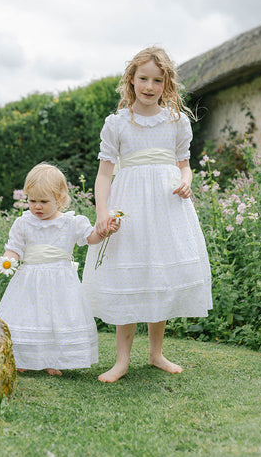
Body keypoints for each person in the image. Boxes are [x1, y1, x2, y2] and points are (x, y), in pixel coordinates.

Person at [82, 46, 212, 383]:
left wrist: (185, 182)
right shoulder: (117, 124)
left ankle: (155, 354)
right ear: (131, 80)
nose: (150, 86)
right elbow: (104, 174)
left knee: (160, 278)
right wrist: (102, 211)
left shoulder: (177, 122)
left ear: (166, 83)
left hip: (167, 209)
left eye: (157, 80)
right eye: (143, 78)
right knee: (129, 276)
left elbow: (184, 165)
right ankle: (121, 360)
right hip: (130, 209)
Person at [0, 163, 119, 375]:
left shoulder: (71, 223)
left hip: (60, 281)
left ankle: (54, 359)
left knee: (57, 319)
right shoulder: (23, 223)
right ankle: (24, 358)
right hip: (29, 279)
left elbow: (91, 238)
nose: (37, 207)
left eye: (43, 201)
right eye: (32, 201)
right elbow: (14, 248)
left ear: (60, 199)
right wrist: (8, 259)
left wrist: (105, 232)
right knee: (28, 316)